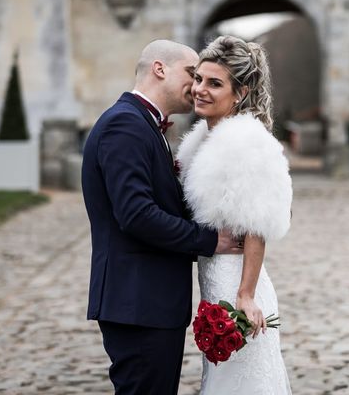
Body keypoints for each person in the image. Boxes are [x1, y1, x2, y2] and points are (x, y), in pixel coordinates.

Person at [81, 39, 241, 395]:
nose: (198, 84)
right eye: (191, 73)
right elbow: (137, 215)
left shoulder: (144, 124)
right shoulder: (125, 124)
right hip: (137, 302)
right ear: (159, 68)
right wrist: (212, 241)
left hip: (147, 302)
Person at [176, 35, 293, 394]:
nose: (200, 89)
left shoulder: (247, 142)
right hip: (213, 279)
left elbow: (254, 225)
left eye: (214, 83)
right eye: (198, 79)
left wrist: (245, 295)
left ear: (239, 93)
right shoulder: (204, 139)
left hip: (237, 284)